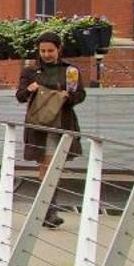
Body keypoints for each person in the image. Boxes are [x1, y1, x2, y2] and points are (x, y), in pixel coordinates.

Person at [16, 32, 86, 229]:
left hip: (62, 123)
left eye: (50, 50)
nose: (46, 54)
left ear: (58, 49)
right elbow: (20, 96)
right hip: (40, 126)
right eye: (43, 51)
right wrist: (30, 89)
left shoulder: (70, 70)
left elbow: (79, 94)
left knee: (54, 167)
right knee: (47, 166)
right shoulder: (31, 71)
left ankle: (46, 211)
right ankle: (49, 211)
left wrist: (67, 96)